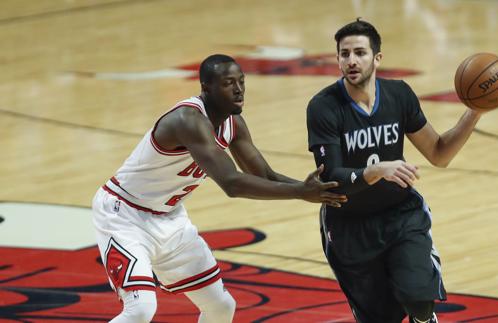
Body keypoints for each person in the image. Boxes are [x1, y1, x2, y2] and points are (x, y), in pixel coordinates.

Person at [92, 54, 347, 323]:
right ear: (206, 87)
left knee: (221, 306)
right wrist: (299, 192)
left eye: (241, 81)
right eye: (228, 83)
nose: (239, 89)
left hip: (169, 218)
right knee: (140, 309)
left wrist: (310, 189)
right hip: (124, 214)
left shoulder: (233, 123)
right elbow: (232, 183)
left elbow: (263, 174)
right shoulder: (187, 120)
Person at [306, 19, 484, 323]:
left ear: (377, 58)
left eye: (360, 52)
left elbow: (439, 153)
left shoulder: (399, 95)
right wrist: (375, 171)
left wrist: (476, 110)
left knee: (418, 300)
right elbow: (331, 178)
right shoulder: (323, 107)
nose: (351, 60)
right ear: (337, 59)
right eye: (344, 54)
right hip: (349, 226)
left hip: (401, 216)